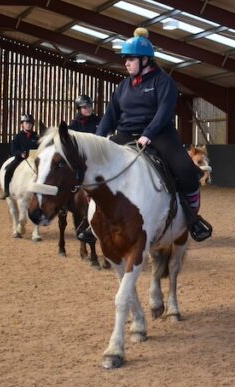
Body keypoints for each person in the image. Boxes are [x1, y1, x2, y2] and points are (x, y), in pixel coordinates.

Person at [83, 28, 213, 243]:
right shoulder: (123, 86)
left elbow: (164, 112)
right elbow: (110, 115)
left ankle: (192, 219)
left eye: (130, 59)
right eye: (125, 59)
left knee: (186, 172)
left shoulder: (163, 82)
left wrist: (148, 134)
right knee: (94, 170)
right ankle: (94, 219)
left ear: (145, 60)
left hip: (160, 134)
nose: (126, 63)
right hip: (125, 134)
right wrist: (99, 138)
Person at [0, 113, 39, 199]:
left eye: (30, 123)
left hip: (34, 159)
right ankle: (6, 191)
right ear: (22, 124)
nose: (28, 125)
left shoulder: (36, 136)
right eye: (26, 123)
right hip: (21, 159)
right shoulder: (18, 137)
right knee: (9, 169)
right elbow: (14, 150)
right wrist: (20, 153)